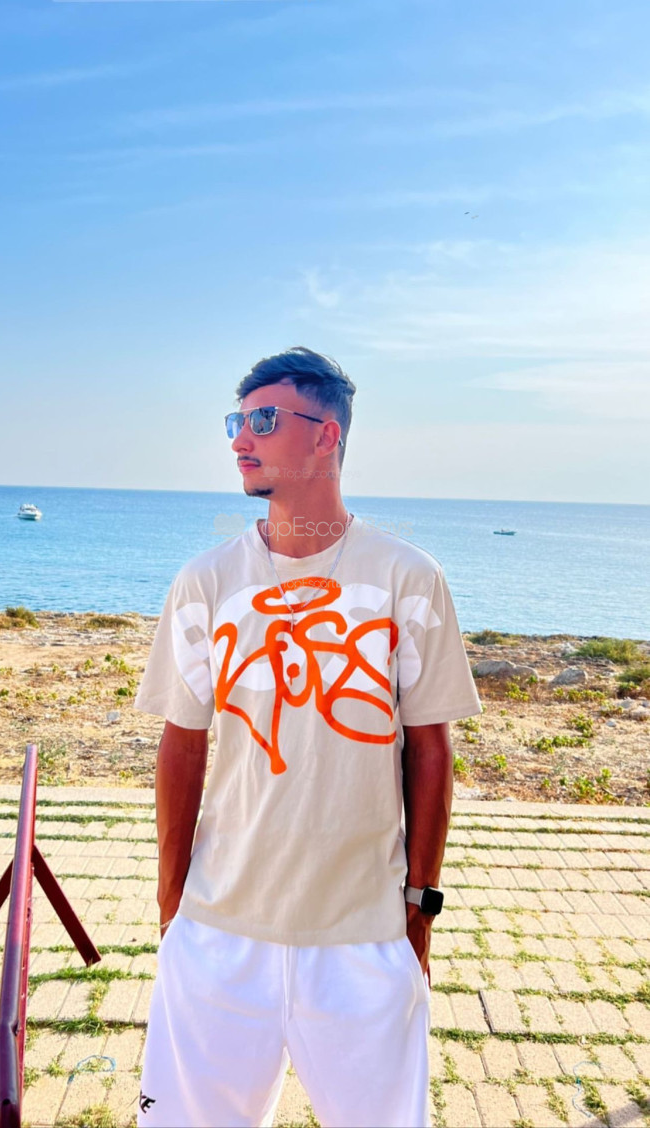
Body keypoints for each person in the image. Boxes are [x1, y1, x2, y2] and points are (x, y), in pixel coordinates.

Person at [134, 346, 482, 1128]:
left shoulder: (405, 577)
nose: (239, 439)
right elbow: (182, 743)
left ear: (327, 435)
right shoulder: (205, 581)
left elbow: (430, 749)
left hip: (363, 933)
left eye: (263, 419)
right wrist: (172, 904)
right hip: (218, 930)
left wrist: (418, 908)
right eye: (236, 421)